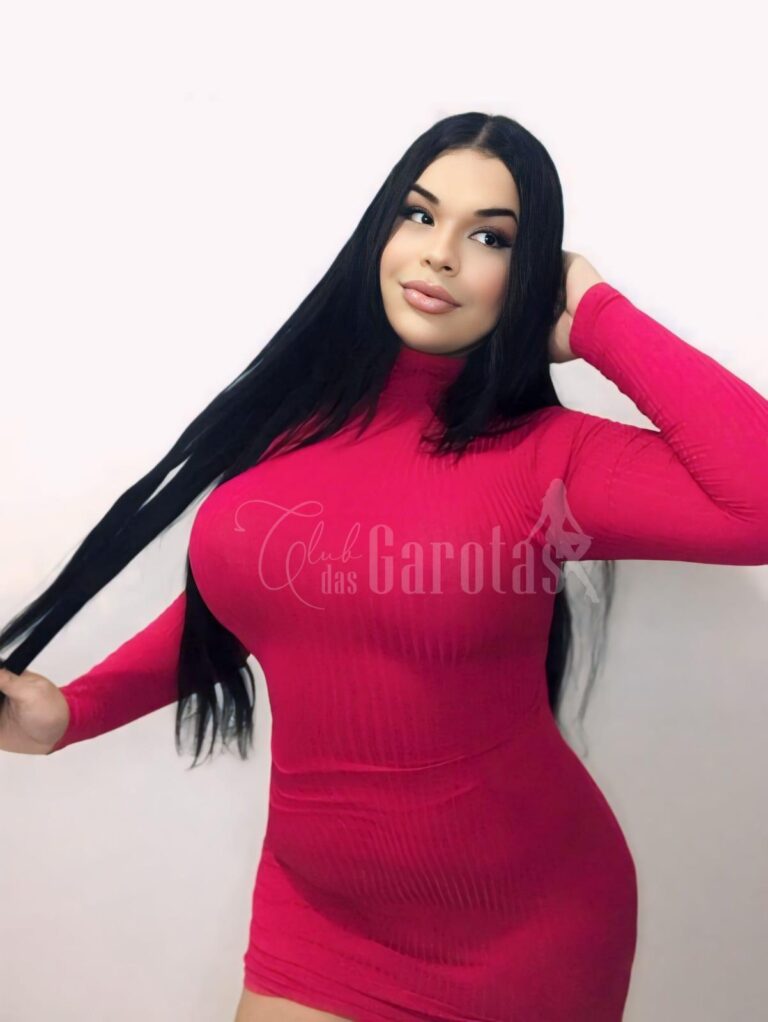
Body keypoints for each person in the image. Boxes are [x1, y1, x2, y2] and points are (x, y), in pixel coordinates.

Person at [2, 113, 767, 1022]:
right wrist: (72, 712)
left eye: (490, 237)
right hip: (316, 917)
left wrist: (598, 313)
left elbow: (755, 504)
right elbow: (243, 608)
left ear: (527, 275)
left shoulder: (548, 457)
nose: (440, 252)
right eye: (420, 214)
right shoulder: (291, 429)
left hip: (520, 932)